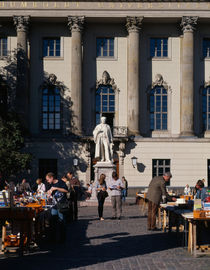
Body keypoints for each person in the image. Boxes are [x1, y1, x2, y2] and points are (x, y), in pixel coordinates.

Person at [46, 172, 68, 243]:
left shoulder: (61, 182)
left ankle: (62, 239)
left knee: (61, 221)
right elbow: (50, 193)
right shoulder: (51, 184)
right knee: (52, 220)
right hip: (54, 205)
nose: (47, 181)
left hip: (61, 204)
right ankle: (53, 238)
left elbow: (66, 190)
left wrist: (56, 188)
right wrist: (48, 194)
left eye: (48, 179)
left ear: (52, 178)